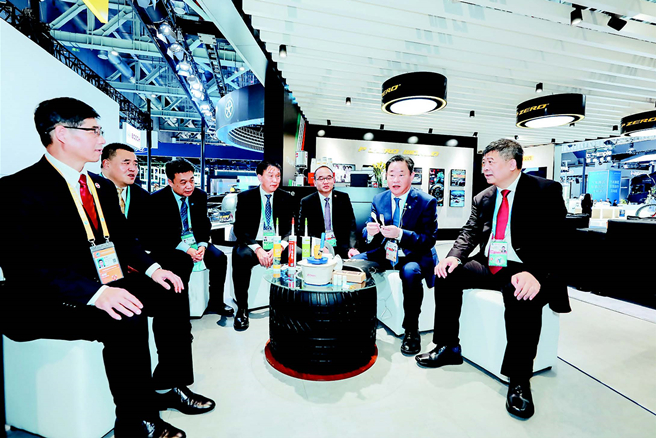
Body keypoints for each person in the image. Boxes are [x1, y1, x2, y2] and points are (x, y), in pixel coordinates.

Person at [0, 97, 214, 438]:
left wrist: (154, 270)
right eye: (94, 131)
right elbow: (25, 267)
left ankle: (168, 385)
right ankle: (136, 420)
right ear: (62, 133)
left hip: (103, 281)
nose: (101, 139)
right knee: (126, 315)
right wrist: (97, 293)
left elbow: (124, 240)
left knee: (170, 289)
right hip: (45, 298)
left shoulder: (99, 186)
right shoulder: (18, 189)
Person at [415, 139, 570, 420]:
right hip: (491, 263)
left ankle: (519, 379)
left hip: (526, 267)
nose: (484, 167)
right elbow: (470, 231)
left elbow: (558, 240)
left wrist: (535, 273)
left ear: (512, 164)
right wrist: (453, 257)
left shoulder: (544, 190)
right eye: (483, 162)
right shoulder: (484, 197)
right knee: (447, 275)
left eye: (490, 162)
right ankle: (448, 346)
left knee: (522, 298)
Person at [354, 155, 438, 355]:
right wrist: (369, 232)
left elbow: (429, 240)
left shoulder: (426, 201)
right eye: (391, 174)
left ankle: (411, 330)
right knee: (353, 264)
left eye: (401, 174)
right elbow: (368, 230)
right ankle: (362, 319)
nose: (395, 179)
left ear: (412, 176)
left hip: (413, 255)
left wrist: (400, 234)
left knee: (410, 273)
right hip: (385, 253)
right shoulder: (379, 199)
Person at [149, 158, 233, 317]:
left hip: (195, 240)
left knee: (219, 258)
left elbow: (203, 224)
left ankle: (216, 302)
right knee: (181, 262)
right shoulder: (157, 200)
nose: (189, 186)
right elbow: (162, 233)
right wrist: (188, 250)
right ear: (170, 182)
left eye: (192, 180)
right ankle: (180, 309)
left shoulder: (199, 196)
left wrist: (202, 246)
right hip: (171, 244)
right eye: (183, 182)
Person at [232, 160, 293, 330]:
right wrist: (257, 249)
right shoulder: (245, 197)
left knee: (298, 253)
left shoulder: (286, 198)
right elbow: (239, 229)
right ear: (259, 177)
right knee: (241, 256)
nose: (275, 180)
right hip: (253, 243)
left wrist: (280, 246)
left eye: (278, 176)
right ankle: (242, 309)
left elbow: (290, 228)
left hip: (277, 242)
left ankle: (292, 304)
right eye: (270, 176)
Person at [298, 165, 358, 259]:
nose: (325, 182)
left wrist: (352, 248)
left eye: (328, 178)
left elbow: (351, 226)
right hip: (319, 247)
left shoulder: (343, 198)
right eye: (321, 179)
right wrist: (318, 246)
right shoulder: (307, 202)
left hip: (343, 248)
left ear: (333, 180)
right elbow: (303, 230)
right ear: (314, 182)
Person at [100, 143, 150, 242]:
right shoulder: (88, 190)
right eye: (126, 163)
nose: (133, 169)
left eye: (135, 164)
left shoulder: (144, 196)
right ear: (106, 164)